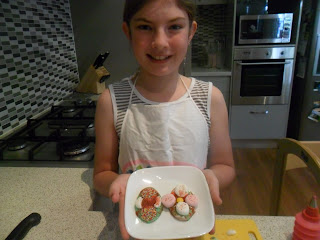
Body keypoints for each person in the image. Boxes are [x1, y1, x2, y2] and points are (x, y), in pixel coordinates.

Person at [93, 0, 235, 239]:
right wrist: (115, 183)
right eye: (145, 27)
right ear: (128, 32)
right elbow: (101, 173)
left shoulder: (210, 99)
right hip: (136, 228)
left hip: (191, 228)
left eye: (175, 27)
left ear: (191, 31)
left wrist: (212, 176)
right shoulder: (112, 102)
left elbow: (226, 166)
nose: (159, 42)